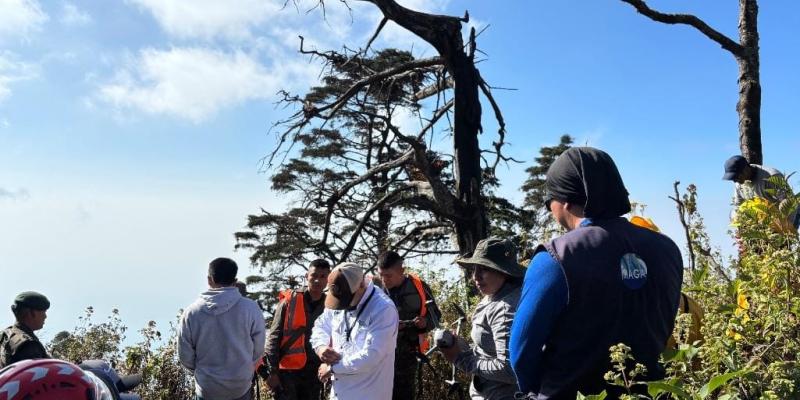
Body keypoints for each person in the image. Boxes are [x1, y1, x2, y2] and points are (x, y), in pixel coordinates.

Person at [509, 147, 684, 399]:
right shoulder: (667, 249)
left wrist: (540, 389)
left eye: (549, 201)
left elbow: (521, 352)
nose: (549, 209)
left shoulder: (554, 259)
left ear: (564, 201)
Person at [439, 237, 523, 400]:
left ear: (503, 271)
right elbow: (487, 348)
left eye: (484, 269)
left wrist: (460, 359)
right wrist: (460, 346)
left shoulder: (505, 308)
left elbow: (509, 370)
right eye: (474, 269)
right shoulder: (493, 296)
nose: (475, 276)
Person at [178, 257, 266, 400]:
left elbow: (185, 356)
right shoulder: (250, 308)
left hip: (206, 388)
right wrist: (245, 368)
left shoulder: (192, 312)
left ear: (209, 279)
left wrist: (203, 372)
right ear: (235, 281)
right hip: (240, 386)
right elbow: (258, 348)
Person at [310, 262, 398, 400]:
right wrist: (321, 347)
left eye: (347, 299)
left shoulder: (383, 309)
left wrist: (333, 368)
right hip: (338, 394)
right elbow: (320, 325)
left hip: (367, 394)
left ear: (361, 285)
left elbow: (372, 355)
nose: (342, 305)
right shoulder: (338, 299)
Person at [262, 259, 332, 400]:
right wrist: (272, 371)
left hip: (314, 373)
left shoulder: (331, 305)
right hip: (287, 373)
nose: (318, 280)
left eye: (323, 276)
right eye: (314, 275)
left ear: (328, 280)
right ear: (307, 276)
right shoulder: (290, 301)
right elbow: (274, 337)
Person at [377, 251, 441, 400]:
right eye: (381, 275)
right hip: (379, 354)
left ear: (401, 271)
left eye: (389, 275)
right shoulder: (374, 290)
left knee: (404, 394)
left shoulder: (419, 286)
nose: (384, 279)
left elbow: (436, 315)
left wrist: (424, 323)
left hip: (409, 354)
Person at [0, 291, 51, 368]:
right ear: (32, 312)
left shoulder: (5, 335)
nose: (45, 316)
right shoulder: (28, 345)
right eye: (43, 312)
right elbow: (36, 376)